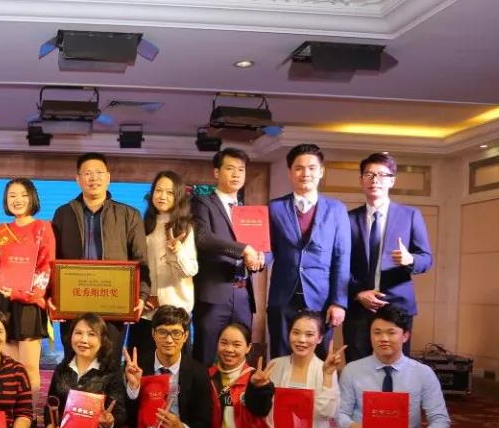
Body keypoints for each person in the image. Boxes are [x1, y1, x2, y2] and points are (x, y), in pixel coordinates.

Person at [52, 152, 150, 366]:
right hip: (74, 302)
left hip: (114, 303)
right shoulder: (63, 213)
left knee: (109, 364)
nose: (93, 178)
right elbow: (54, 258)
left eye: (99, 172)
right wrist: (53, 296)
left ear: (108, 177)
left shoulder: (128, 215)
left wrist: (141, 296)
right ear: (78, 179)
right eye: (87, 173)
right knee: (74, 364)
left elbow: (141, 260)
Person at [345, 153, 434, 362]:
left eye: (382, 175)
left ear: (392, 180)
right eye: (369, 175)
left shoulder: (410, 215)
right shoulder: (348, 218)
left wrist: (410, 260)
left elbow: (427, 258)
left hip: (398, 306)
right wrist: (357, 293)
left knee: (395, 367)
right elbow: (339, 264)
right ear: (361, 180)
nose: (374, 180)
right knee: (357, 366)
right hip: (359, 307)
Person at [267, 143, 350, 359]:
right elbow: (269, 249)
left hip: (321, 300)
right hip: (283, 297)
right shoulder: (274, 208)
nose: (306, 173)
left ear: (321, 171)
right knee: (280, 358)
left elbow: (342, 258)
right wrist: (257, 257)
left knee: (320, 361)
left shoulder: (337, 210)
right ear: (290, 172)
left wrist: (338, 302)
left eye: (312, 168)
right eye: (299, 168)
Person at [0, 178, 56, 398]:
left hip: (28, 302)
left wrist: (25, 295)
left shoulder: (43, 228)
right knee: (7, 366)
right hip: (2, 301)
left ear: (32, 197)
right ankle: (9, 411)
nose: (17, 200)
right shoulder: (1, 230)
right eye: (12, 195)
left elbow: (46, 267)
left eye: (23, 195)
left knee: (29, 367)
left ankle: (29, 413)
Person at [192, 148, 264, 365]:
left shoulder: (248, 212)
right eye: (230, 168)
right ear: (217, 172)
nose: (236, 174)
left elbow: (261, 248)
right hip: (214, 293)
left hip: (243, 295)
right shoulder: (203, 202)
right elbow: (203, 238)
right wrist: (244, 249)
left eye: (241, 170)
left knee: (240, 358)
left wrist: (260, 259)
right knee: (205, 357)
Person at [128, 170, 198, 361]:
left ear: (178, 196)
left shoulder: (184, 228)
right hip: (146, 312)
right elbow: (134, 267)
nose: (162, 196)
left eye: (169, 192)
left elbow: (189, 271)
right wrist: (139, 296)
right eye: (158, 190)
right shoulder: (142, 225)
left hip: (175, 313)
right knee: (141, 366)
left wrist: (176, 251)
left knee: (176, 370)